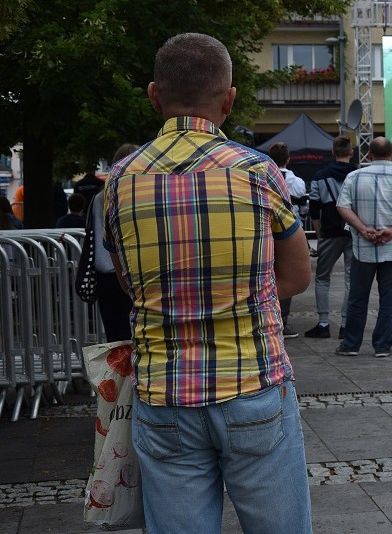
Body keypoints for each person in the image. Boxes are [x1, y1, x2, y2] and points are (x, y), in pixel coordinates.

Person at [103, 33, 313, 533]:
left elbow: (132, 283)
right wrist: (241, 295)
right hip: (253, 384)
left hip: (165, 393)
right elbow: (298, 275)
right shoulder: (257, 171)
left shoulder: (120, 179)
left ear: (155, 95)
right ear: (230, 98)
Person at [335, 137, 392, 357]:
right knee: (389, 298)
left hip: (362, 248)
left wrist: (363, 229)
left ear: (369, 154)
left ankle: (351, 344)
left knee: (357, 297)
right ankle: (382, 345)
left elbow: (342, 207)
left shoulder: (353, 177)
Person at [304, 136, 358, 340]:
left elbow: (314, 208)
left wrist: (318, 233)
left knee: (322, 277)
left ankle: (324, 323)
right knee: (351, 278)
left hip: (329, 232)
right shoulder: (357, 174)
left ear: (333, 153)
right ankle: (346, 324)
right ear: (351, 153)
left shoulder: (320, 175)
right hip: (353, 231)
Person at [89, 143, 137, 342]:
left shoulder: (100, 196)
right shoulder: (132, 193)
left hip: (103, 271)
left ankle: (114, 373)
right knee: (130, 333)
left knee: (112, 335)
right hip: (128, 269)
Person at [269, 142, 307, 339]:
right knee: (287, 274)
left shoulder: (262, 176)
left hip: (267, 231)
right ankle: (283, 319)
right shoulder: (297, 182)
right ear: (288, 158)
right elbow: (303, 210)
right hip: (289, 232)